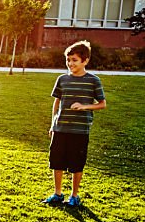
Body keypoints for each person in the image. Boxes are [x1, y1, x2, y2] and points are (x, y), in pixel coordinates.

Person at [43, 40, 107, 208]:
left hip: (80, 130)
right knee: (56, 162)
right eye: (68, 60)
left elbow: (102, 104)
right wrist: (52, 124)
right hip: (60, 128)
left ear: (85, 61)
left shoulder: (93, 81)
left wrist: (84, 106)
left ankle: (74, 196)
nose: (70, 63)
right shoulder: (62, 79)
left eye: (74, 60)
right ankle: (57, 194)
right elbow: (56, 103)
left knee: (76, 164)